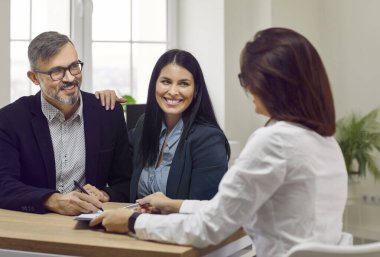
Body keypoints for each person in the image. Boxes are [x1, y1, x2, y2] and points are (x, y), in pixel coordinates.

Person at [90, 28, 348, 257]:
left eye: (247, 78)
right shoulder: (324, 141)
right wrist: (175, 204)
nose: (247, 88)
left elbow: (210, 227)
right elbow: (231, 207)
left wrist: (133, 222)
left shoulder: (274, 141)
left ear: (272, 84)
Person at [0, 31, 132, 215]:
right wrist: (53, 200)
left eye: (74, 66)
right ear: (34, 78)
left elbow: (127, 182)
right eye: (57, 72)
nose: (70, 78)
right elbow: (4, 185)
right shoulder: (10, 120)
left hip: (92, 225)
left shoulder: (107, 113)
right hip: (34, 226)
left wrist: (105, 194)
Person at [126, 49, 230, 202]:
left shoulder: (209, 139)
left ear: (195, 91)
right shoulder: (145, 124)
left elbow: (203, 210)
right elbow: (119, 171)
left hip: (177, 226)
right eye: (166, 82)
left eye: (183, 84)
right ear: (155, 84)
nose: (173, 92)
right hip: (133, 224)